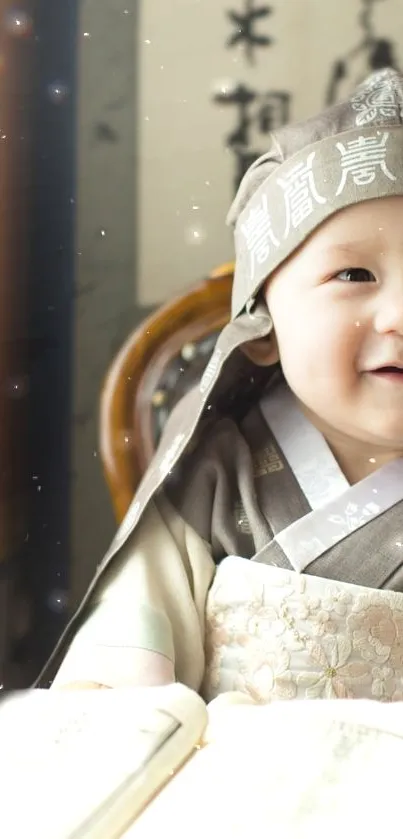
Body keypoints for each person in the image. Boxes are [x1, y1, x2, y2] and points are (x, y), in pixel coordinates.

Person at [37, 67, 403, 703]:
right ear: (261, 323)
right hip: (232, 785)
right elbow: (130, 643)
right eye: (352, 274)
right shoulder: (216, 469)